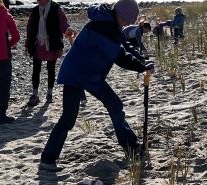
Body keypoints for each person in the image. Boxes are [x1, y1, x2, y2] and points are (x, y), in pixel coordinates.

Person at [39, 0, 153, 172]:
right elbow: (120, 57)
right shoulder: (102, 27)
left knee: (115, 105)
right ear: (119, 15)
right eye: (127, 20)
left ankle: (131, 147)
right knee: (68, 118)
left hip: (92, 75)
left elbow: (125, 43)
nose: (129, 24)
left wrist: (143, 59)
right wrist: (142, 66)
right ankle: (47, 160)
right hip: (76, 74)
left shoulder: (111, 24)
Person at [25, 0, 76, 106]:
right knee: (36, 70)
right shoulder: (35, 11)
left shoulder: (56, 9)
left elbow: (64, 23)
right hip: (37, 43)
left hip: (52, 43)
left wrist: (68, 30)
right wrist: (27, 44)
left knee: (51, 69)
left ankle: (49, 94)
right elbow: (29, 28)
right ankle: (35, 94)